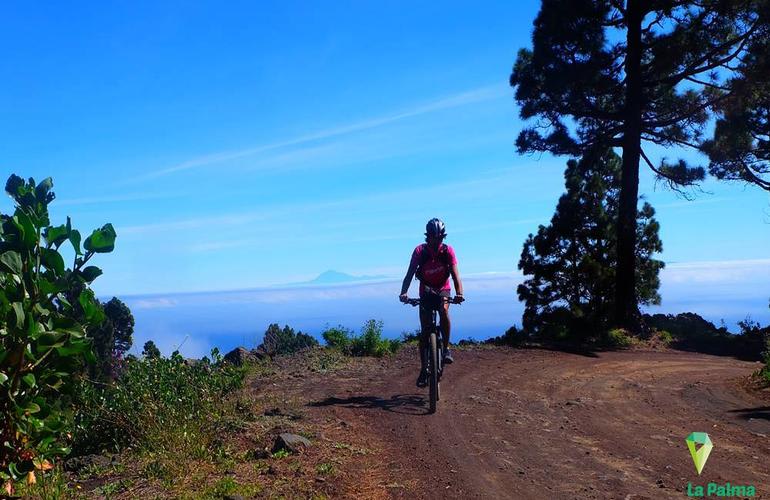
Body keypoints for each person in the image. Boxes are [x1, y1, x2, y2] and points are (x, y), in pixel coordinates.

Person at [399, 218, 464, 387]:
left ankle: (447, 348)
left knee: (443, 310)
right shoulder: (420, 252)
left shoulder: (448, 251)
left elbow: (456, 275)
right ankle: (423, 369)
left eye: (440, 237)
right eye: (434, 237)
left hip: (443, 287)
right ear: (428, 237)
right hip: (426, 290)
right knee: (425, 331)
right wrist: (404, 292)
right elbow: (410, 273)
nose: (437, 241)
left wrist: (459, 293)